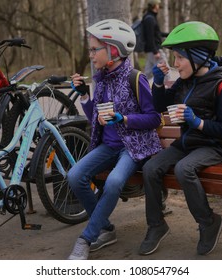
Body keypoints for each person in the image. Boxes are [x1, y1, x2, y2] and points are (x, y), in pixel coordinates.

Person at [67, 18, 162, 260]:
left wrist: (124, 119)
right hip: (108, 146)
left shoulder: (135, 77)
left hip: (133, 148)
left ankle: (86, 238)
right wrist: (85, 98)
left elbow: (154, 118)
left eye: (94, 49)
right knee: (75, 176)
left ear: (113, 50)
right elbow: (95, 119)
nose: (91, 55)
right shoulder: (100, 79)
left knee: (113, 182)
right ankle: (106, 229)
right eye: (90, 49)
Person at [139, 21, 222, 256]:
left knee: (184, 169)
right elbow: (162, 106)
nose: (175, 64)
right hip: (187, 144)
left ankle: (208, 222)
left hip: (213, 147)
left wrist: (197, 122)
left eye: (179, 58)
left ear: (197, 57)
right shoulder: (184, 82)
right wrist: (159, 83)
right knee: (150, 168)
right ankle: (156, 225)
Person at [142, 0, 169, 79]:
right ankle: (168, 88)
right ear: (154, 5)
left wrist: (169, 34)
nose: (159, 6)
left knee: (148, 73)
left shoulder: (151, 17)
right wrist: (155, 51)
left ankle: (143, 88)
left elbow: (157, 33)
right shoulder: (149, 19)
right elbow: (149, 37)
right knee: (165, 70)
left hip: (151, 50)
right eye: (158, 4)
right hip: (155, 49)